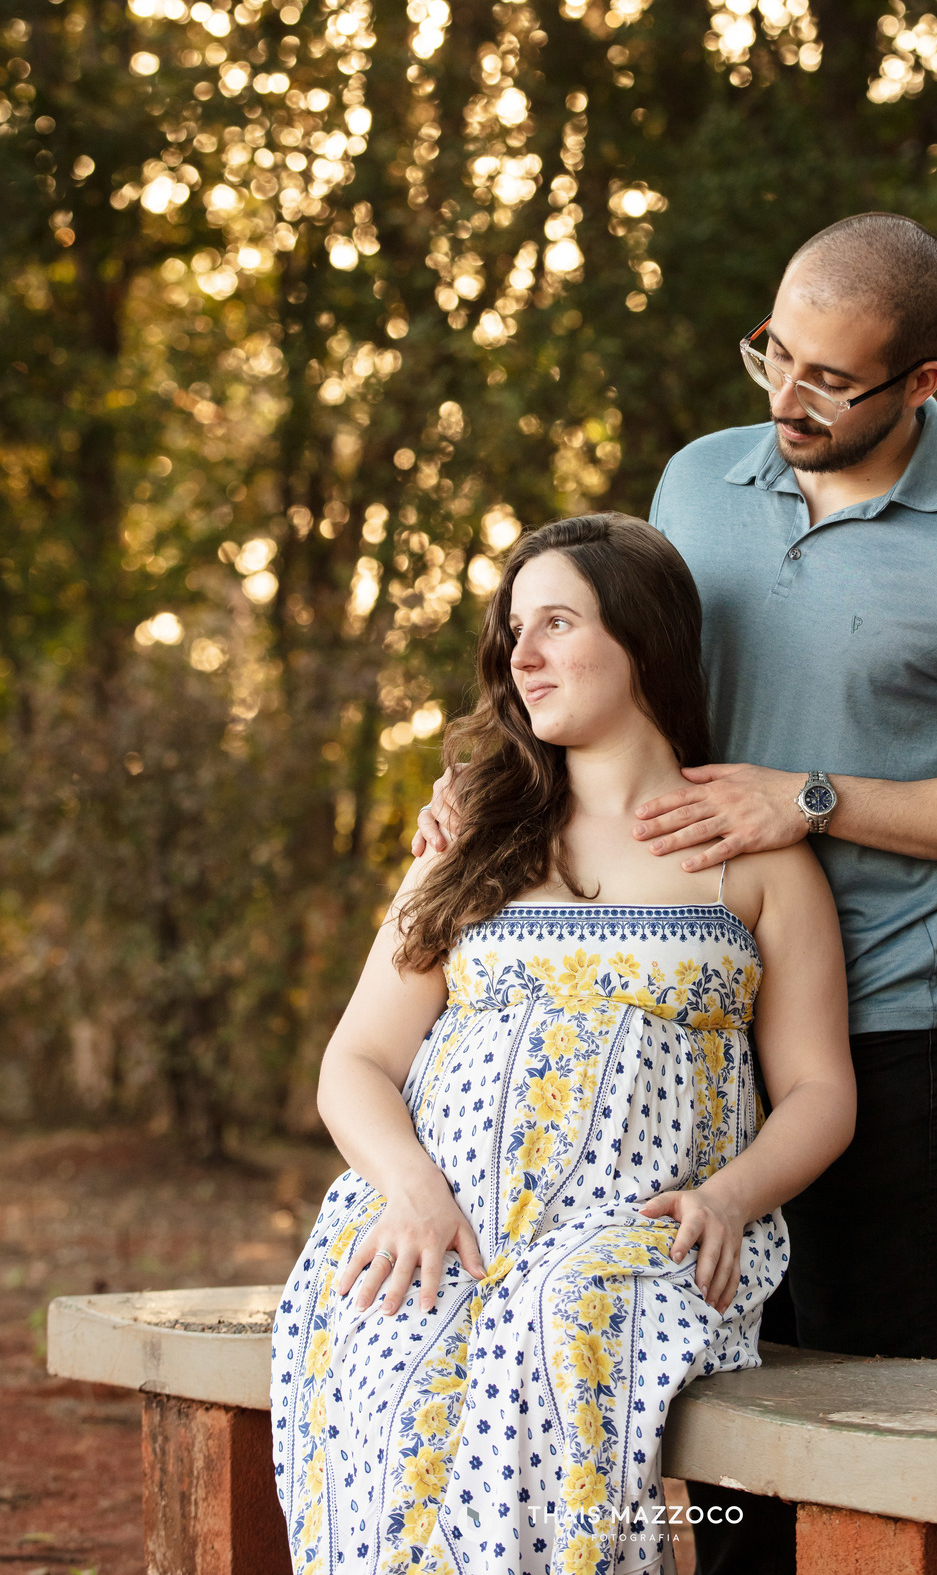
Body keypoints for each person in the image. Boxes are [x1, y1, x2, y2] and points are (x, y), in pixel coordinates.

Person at [415, 213, 937, 1574]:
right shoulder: (697, 483)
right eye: (771, 356)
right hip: (685, 1014)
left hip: (884, 1036)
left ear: (921, 385)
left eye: (829, 381)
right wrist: (489, 789)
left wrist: (815, 797)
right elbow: (614, 673)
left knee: (867, 1410)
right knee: (711, 1398)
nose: (784, 401)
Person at [272, 514, 855, 1575]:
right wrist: (411, 1192)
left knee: (559, 1317)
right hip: (435, 1222)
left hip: (632, 1245)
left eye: (556, 624)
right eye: (511, 633)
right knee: (388, 1370)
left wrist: (728, 1199)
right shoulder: (474, 839)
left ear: (643, 643)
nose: (521, 657)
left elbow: (820, 1090)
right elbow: (355, 1061)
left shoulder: (751, 859)